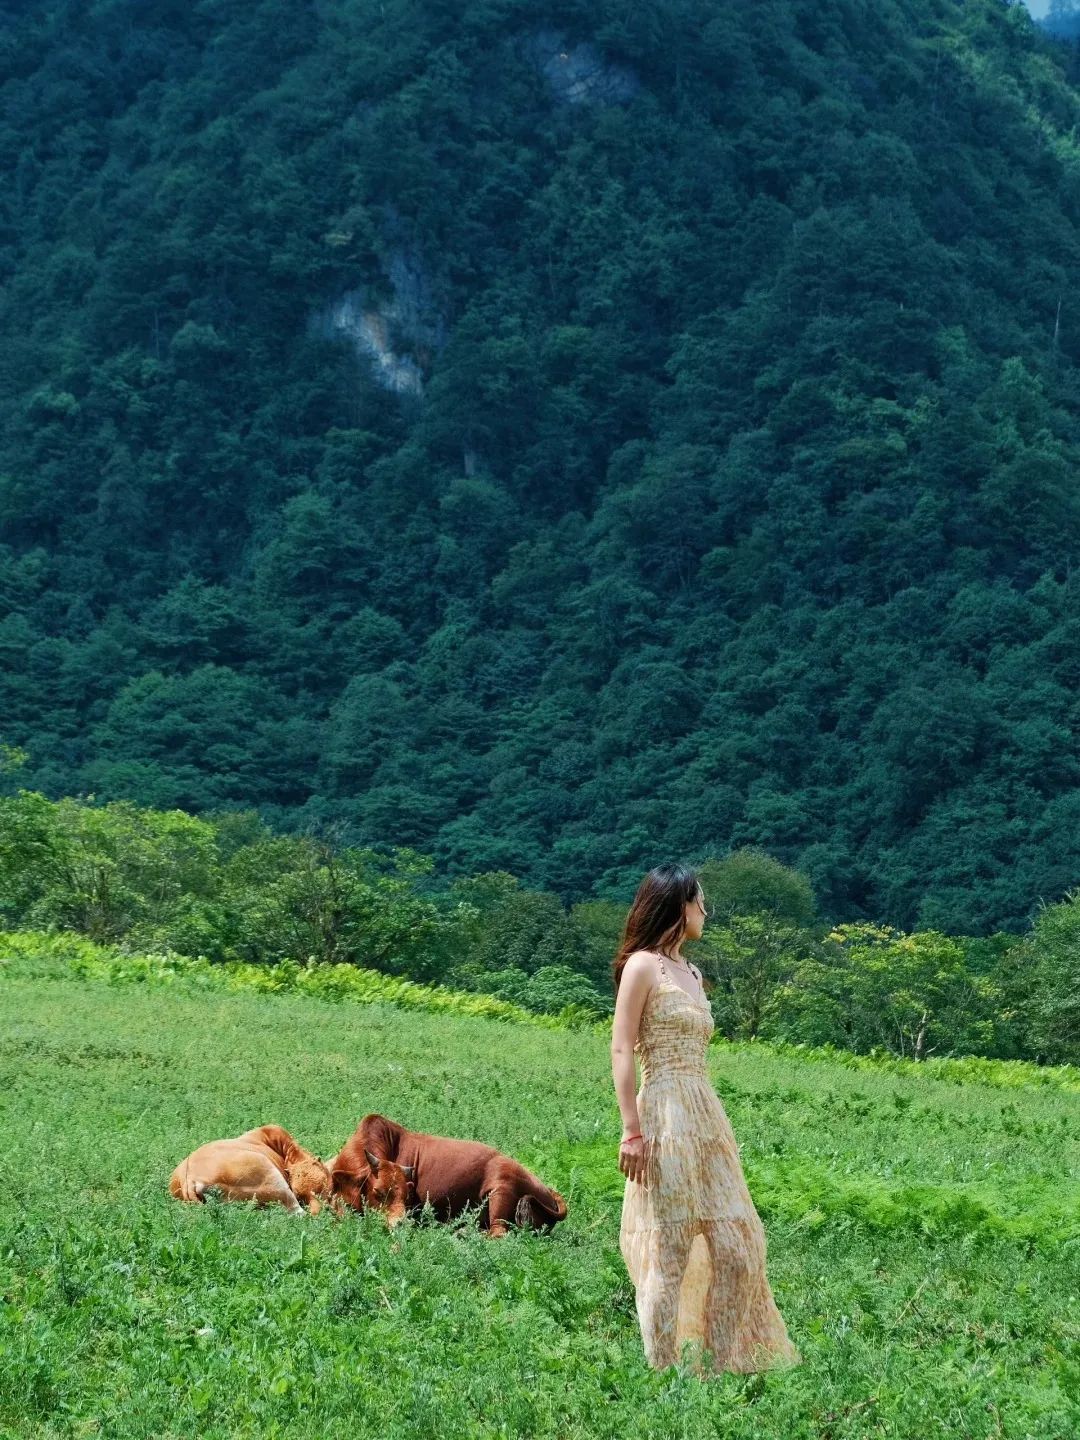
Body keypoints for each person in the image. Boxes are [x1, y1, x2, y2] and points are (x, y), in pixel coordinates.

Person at [611, 862, 802, 1376]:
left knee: (739, 1245)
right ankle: (664, 1375)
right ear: (676, 905)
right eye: (698, 902)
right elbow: (622, 1047)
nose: (704, 911)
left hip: (705, 1114)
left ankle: (715, 1369)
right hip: (663, 1113)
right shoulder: (642, 966)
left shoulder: (693, 974)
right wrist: (632, 1130)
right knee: (670, 1249)